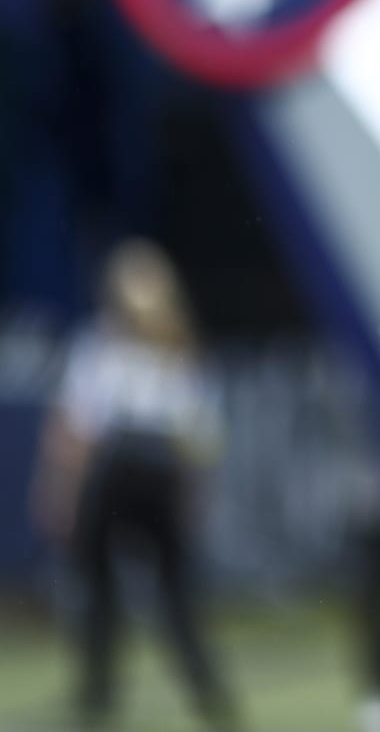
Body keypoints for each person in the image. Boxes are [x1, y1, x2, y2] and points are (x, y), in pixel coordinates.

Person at [30, 239, 239, 731]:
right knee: (170, 594)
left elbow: (77, 430)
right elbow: (200, 438)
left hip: (121, 471)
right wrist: (192, 494)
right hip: (159, 474)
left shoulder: (105, 347)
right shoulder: (179, 351)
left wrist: (59, 491)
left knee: (108, 590)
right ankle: (203, 691)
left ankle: (102, 694)